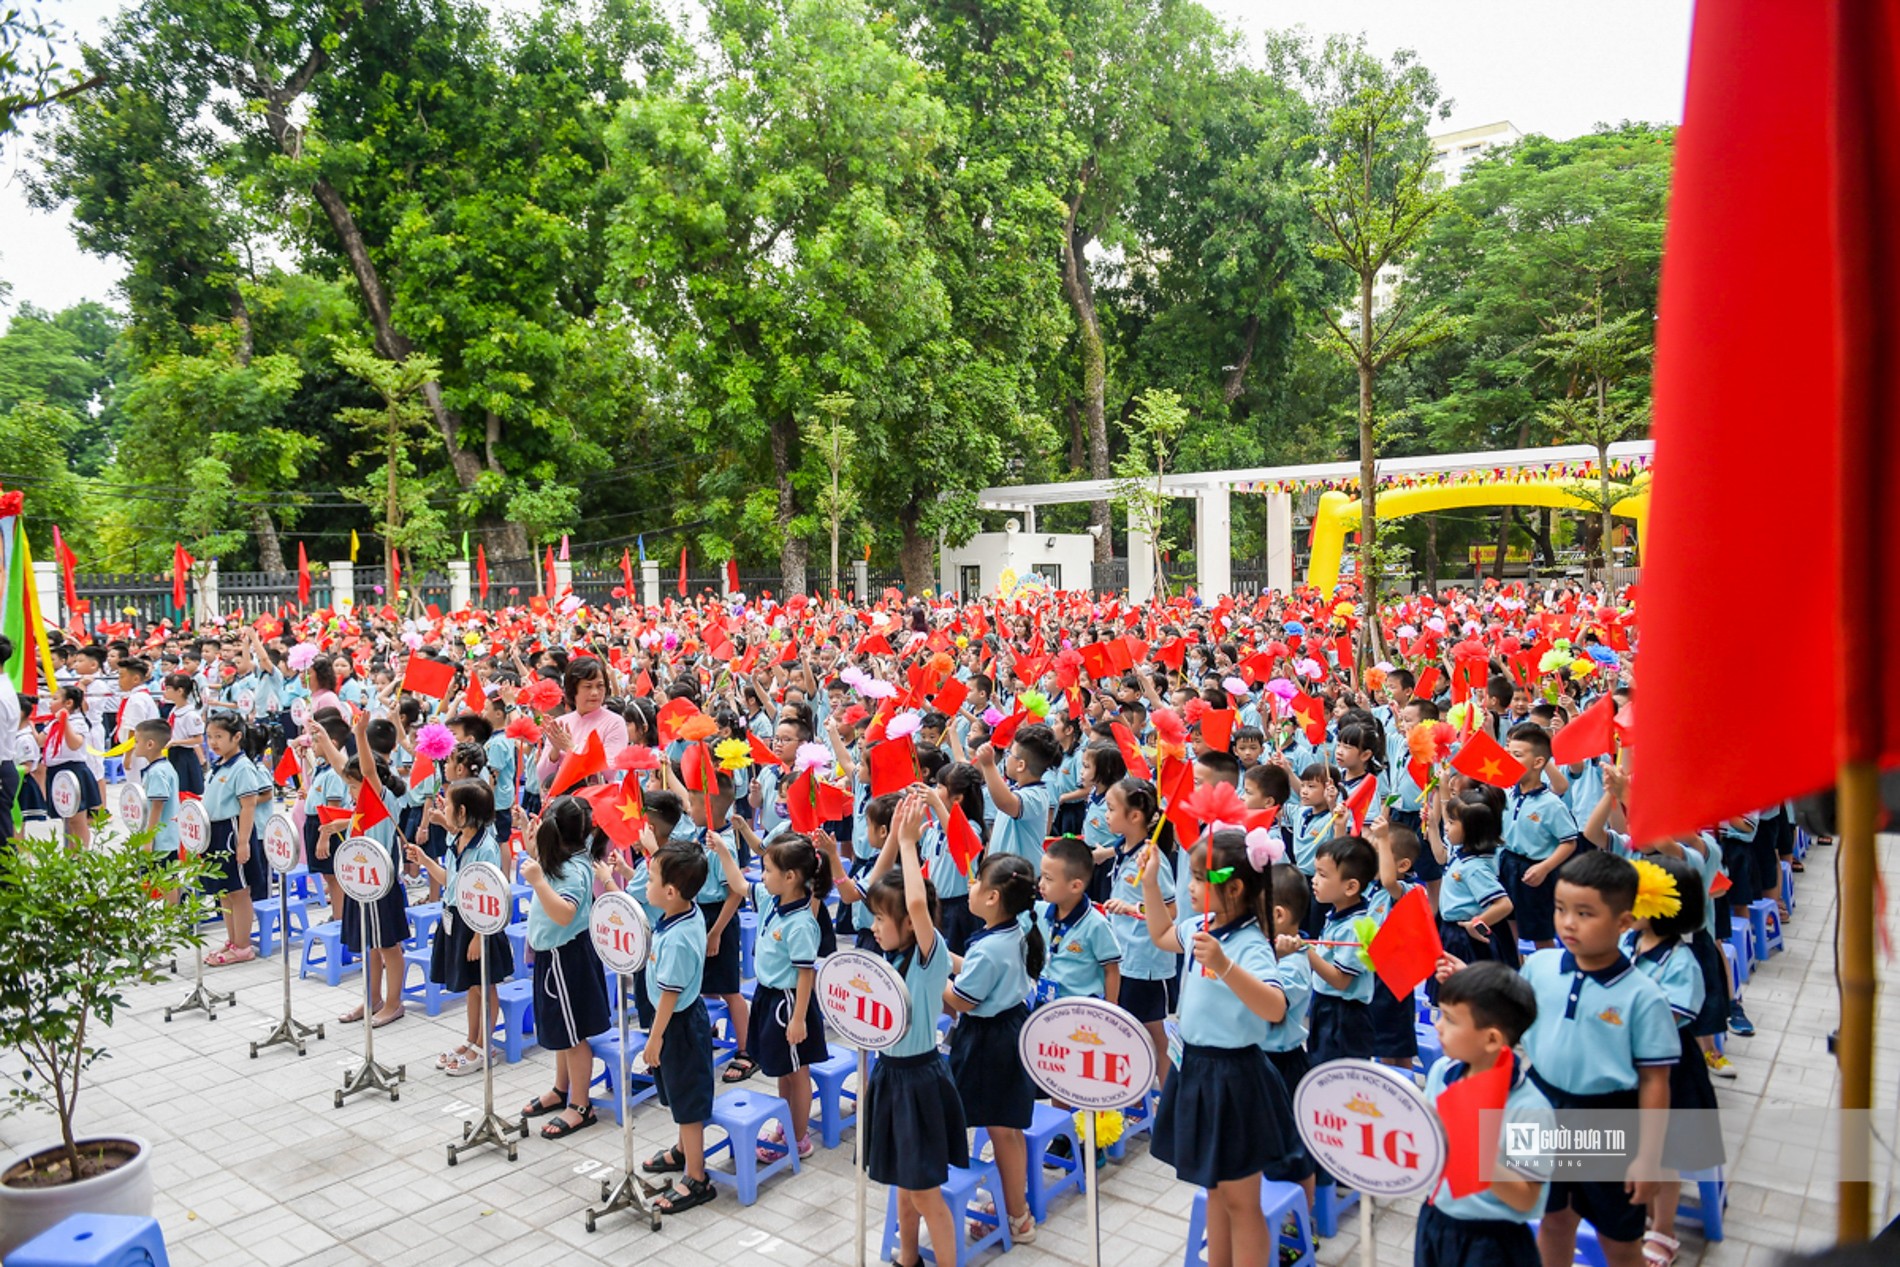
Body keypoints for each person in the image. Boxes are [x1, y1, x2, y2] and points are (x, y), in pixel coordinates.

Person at [1145, 827, 1303, 1267]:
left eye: (1199, 879)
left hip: (1235, 1079)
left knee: (1241, 1201)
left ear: (1234, 887)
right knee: (1213, 1188)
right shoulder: (1202, 924)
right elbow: (1160, 935)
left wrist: (1224, 964)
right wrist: (1148, 883)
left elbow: (1274, 1007)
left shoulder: (1250, 943)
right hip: (1195, 1069)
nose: (1191, 887)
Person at [865, 793, 968, 1267]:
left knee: (927, 1194)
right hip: (889, 1075)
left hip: (920, 1080)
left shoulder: (929, 957)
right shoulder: (892, 955)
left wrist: (908, 843)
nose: (874, 927)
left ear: (909, 924)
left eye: (882, 920)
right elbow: (874, 889)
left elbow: (914, 903)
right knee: (902, 1187)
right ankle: (908, 1259)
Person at [1618, 854, 1723, 1267]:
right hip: (1628, 1067)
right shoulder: (1628, 942)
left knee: (1663, 1154)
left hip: (1669, 1072)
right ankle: (1638, 1212)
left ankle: (1663, 1228)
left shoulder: (1681, 963)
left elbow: (1673, 1017)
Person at [1414, 962, 1555, 1267]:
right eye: (1440, 1014)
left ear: (1492, 1039)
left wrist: (1471, 1151)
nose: (1437, 1026)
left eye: (1450, 1020)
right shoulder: (1442, 1072)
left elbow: (1526, 1198)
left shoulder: (1530, 1109)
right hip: (1436, 1217)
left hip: (1492, 1241)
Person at [943, 852, 1045, 1246]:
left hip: (989, 1044)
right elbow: (973, 972)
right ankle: (1015, 1207)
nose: (970, 886)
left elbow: (963, 999)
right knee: (1008, 1128)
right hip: (1010, 1029)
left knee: (1001, 1130)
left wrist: (933, 974)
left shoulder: (991, 948)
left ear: (993, 898)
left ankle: (1017, 1216)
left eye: (976, 882)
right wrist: (946, 959)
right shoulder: (1014, 931)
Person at [518, 795, 614, 1138]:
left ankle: (580, 1105)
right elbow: (543, 864)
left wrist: (538, 882)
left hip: (567, 958)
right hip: (551, 957)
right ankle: (561, 1089)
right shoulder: (562, 857)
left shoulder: (575, 868)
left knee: (574, 1037)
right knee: (560, 1029)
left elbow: (564, 913)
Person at [407, 778, 514, 1078]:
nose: (444, 807)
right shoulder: (457, 840)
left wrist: (480, 936)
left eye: (449, 804)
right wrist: (426, 860)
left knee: (485, 985)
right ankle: (471, 1039)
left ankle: (485, 1045)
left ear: (463, 812)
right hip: (454, 917)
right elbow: (450, 882)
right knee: (471, 986)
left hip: (479, 925)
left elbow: (491, 897)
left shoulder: (487, 848)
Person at [639, 841, 724, 1214]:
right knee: (677, 1093)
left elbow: (670, 997)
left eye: (651, 877)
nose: (646, 881)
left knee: (688, 1103)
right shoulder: (681, 913)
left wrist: (654, 1039)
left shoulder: (676, 939)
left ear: (670, 892)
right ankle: (682, 1150)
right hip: (675, 1021)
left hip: (678, 1026)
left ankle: (696, 1177)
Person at [310, 711, 410, 1020]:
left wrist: (360, 734)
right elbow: (346, 771)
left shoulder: (382, 798)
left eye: (354, 787)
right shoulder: (360, 802)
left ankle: (394, 1003)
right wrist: (325, 740)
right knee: (369, 945)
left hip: (383, 883)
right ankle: (372, 999)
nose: (351, 792)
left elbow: (365, 770)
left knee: (389, 947)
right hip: (361, 882)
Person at [746, 834, 830, 1161]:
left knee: (798, 1072)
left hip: (790, 1004)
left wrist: (798, 1019)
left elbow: (806, 973)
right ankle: (787, 1124)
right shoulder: (773, 902)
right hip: (770, 997)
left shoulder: (801, 924)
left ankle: (799, 1138)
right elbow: (740, 885)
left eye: (767, 870)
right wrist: (724, 849)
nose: (762, 876)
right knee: (784, 1068)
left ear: (791, 876)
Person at [1099, 776, 1177, 1083]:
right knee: (1128, 1028)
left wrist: (1133, 910)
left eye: (1110, 808)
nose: (1105, 815)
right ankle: (1137, 1094)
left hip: (1147, 963)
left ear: (1134, 816)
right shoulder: (1125, 848)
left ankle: (1166, 1097)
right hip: (1124, 957)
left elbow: (1171, 911)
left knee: (1155, 1031)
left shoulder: (1152, 861)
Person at [1500, 722, 1581, 951]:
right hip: (1507, 864)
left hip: (1536, 871)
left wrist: (1545, 867)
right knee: (1508, 924)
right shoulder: (1508, 793)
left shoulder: (1551, 804)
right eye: (1508, 753)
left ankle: (1547, 976)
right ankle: (1514, 974)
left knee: (1540, 932)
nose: (1509, 759)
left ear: (1538, 763)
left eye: (1517, 755)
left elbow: (1569, 842)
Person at [200, 711, 273, 965]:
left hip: (232, 832)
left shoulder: (242, 767)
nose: (213, 742)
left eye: (219, 736)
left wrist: (242, 843)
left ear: (237, 737)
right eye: (209, 736)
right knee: (224, 891)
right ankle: (232, 940)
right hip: (214, 832)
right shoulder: (219, 764)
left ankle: (243, 946)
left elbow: (249, 806)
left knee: (239, 891)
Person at [1303, 835, 1379, 1065]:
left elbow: (1340, 981)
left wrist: (1305, 951)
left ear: (1351, 886)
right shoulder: (1338, 913)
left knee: (1339, 1077)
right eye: (1315, 873)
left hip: (1344, 1016)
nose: (1314, 881)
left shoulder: (1355, 927)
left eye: (1323, 875)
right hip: (1326, 1006)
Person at [974, 722, 1059, 861]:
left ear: (1021, 765)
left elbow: (1005, 803)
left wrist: (988, 765)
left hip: (1019, 877)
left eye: (1010, 754)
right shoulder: (1016, 790)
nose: (1007, 758)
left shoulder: (1037, 796)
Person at [43, 685, 101, 846]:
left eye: (54, 699)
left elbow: (75, 744)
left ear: (68, 703)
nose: (50, 702)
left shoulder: (78, 722)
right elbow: (41, 740)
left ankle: (81, 857)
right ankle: (70, 854)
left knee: (77, 820)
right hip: (57, 771)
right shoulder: (53, 722)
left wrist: (65, 722)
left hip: (74, 772)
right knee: (67, 819)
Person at [161, 672, 206, 795]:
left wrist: (176, 742)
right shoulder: (175, 710)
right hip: (173, 752)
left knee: (185, 790)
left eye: (168, 688)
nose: (165, 691)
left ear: (180, 691)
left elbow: (198, 739)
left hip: (184, 755)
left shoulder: (190, 715)